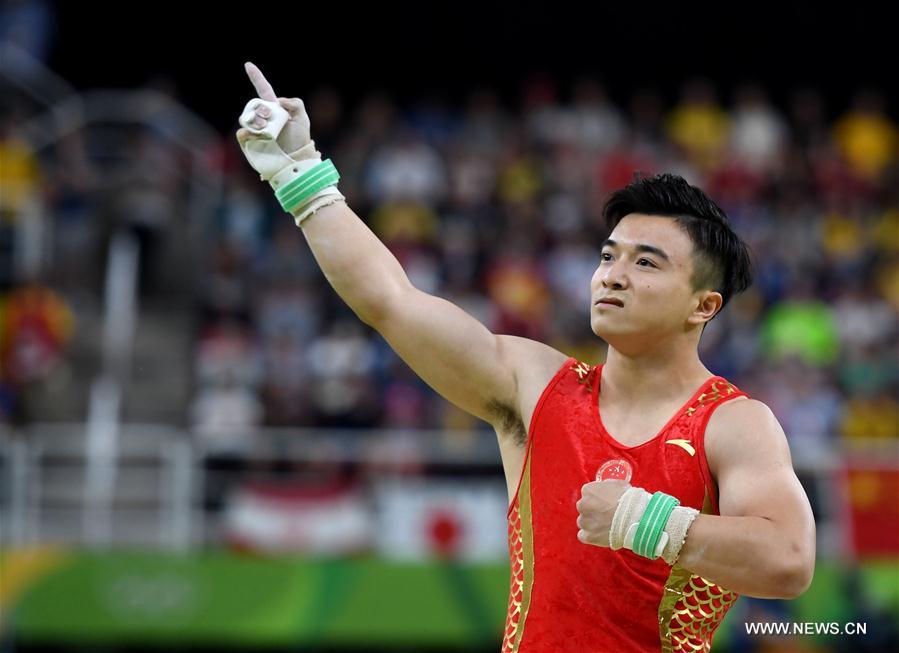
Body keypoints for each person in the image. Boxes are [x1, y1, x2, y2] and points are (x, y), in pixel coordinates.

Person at [235, 63, 816, 653]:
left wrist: (652, 525)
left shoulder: (733, 424)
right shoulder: (536, 386)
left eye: (645, 263)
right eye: (608, 256)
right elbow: (391, 300)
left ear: (703, 305)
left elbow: (789, 561)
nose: (612, 277)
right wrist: (301, 170)